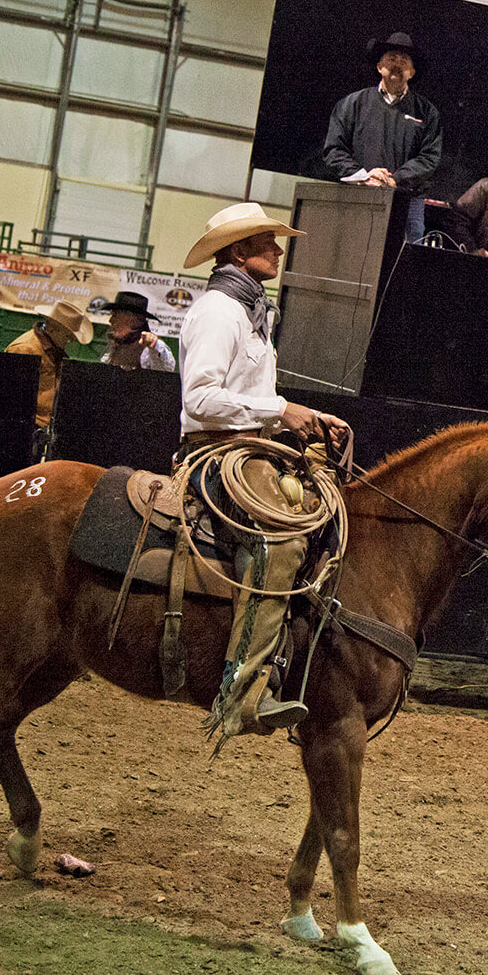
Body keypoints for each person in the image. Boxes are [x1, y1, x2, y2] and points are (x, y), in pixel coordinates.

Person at [180, 202, 350, 739]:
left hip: (251, 447)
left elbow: (253, 395)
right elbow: (201, 397)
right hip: (218, 452)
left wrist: (306, 416)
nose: (278, 250)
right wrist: (280, 412)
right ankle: (241, 693)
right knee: (280, 543)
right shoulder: (219, 312)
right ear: (238, 252)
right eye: (268, 243)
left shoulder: (250, 313)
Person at [320, 32, 442, 244]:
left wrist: (394, 180)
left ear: (412, 72)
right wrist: (365, 177)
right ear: (379, 67)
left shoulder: (427, 113)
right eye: (391, 59)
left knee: (404, 266)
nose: (397, 65)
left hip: (407, 203)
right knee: (351, 255)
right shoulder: (352, 104)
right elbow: (333, 151)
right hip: (358, 196)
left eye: (403, 61)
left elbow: (429, 158)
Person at [5, 300, 93, 431]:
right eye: (68, 337)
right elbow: (11, 399)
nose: (72, 340)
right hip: (26, 428)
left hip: (41, 426)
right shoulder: (25, 349)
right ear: (52, 328)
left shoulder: (51, 349)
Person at [99, 291, 176, 371]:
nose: (111, 320)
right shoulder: (116, 345)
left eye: (115, 315)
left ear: (133, 320)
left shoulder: (148, 348)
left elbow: (165, 369)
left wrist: (154, 346)